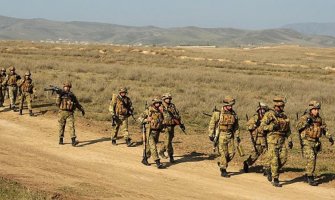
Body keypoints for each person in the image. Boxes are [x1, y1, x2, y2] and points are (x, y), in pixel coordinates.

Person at [296, 101, 334, 186]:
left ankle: (308, 174)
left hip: (315, 142)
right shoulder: (305, 117)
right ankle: (310, 177)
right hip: (306, 141)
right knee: (311, 158)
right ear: (311, 109)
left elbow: (324, 129)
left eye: (318, 109)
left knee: (313, 160)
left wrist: (330, 137)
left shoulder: (319, 119)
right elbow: (297, 127)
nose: (317, 111)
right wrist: (306, 123)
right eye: (315, 109)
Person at [260, 97, 293, 187]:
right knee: (274, 160)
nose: (283, 107)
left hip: (282, 140)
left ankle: (270, 169)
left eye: (283, 105)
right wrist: (271, 127)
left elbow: (288, 130)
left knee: (283, 158)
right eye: (281, 105)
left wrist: (290, 140)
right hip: (272, 140)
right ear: (277, 106)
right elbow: (262, 127)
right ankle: (275, 179)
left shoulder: (284, 116)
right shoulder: (269, 114)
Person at [208, 96, 240, 178]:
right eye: (229, 105)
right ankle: (223, 169)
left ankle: (222, 163)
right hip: (221, 135)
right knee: (223, 153)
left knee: (232, 153)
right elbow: (212, 124)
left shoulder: (233, 114)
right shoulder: (218, 113)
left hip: (230, 135)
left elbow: (236, 126)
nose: (230, 107)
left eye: (231, 105)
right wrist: (211, 134)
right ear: (225, 105)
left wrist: (237, 135)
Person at [56, 81, 85, 146]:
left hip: (70, 113)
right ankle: (61, 140)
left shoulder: (72, 95)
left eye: (68, 87)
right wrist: (59, 96)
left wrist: (81, 109)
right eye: (66, 87)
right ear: (64, 87)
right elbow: (57, 104)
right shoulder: (61, 94)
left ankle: (73, 141)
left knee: (71, 126)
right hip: (62, 112)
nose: (67, 88)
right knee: (61, 126)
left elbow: (77, 104)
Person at [243, 103, 269, 173]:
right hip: (257, 139)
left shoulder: (267, 118)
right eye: (262, 110)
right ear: (258, 110)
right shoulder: (254, 118)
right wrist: (255, 125)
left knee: (267, 154)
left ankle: (266, 169)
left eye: (264, 110)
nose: (263, 111)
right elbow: (247, 127)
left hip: (265, 138)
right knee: (255, 154)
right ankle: (247, 163)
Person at [139, 97, 165, 169]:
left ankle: (145, 158)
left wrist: (162, 127)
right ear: (154, 103)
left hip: (157, 132)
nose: (158, 104)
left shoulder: (160, 111)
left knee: (149, 147)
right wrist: (146, 119)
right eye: (156, 103)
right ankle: (158, 162)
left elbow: (162, 121)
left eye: (159, 103)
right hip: (149, 132)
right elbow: (139, 118)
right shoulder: (148, 110)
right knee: (153, 147)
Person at [160, 93, 185, 163]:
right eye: (167, 99)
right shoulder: (161, 107)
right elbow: (158, 116)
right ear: (164, 99)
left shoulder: (172, 106)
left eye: (169, 99)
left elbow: (177, 114)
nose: (168, 100)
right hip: (165, 126)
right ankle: (171, 156)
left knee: (169, 141)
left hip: (172, 126)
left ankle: (162, 151)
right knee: (168, 141)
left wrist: (180, 123)